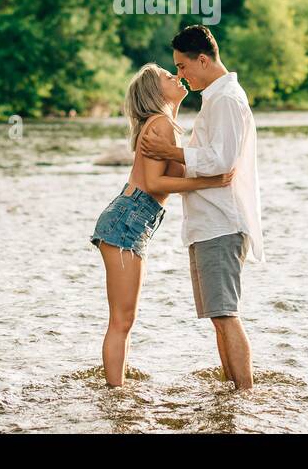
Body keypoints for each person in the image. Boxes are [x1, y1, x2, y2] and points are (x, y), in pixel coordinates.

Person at [90, 62, 234, 388]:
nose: (177, 76)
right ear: (156, 93)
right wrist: (210, 182)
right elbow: (156, 184)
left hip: (129, 221)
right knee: (122, 320)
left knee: (124, 319)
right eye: (169, 77)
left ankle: (116, 388)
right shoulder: (160, 124)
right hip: (126, 222)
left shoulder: (163, 123)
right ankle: (115, 394)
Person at [141, 24, 263, 391]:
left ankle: (244, 394)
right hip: (208, 223)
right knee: (218, 316)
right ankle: (231, 393)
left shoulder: (226, 99)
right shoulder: (216, 97)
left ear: (203, 60)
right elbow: (210, 160)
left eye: (182, 66)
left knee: (226, 314)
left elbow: (222, 161)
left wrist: (169, 153)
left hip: (221, 223)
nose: (180, 74)